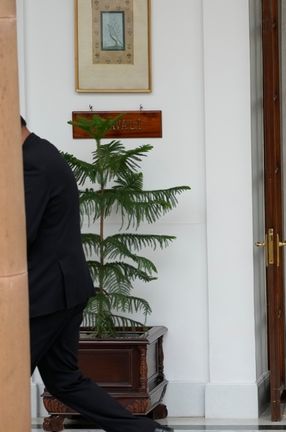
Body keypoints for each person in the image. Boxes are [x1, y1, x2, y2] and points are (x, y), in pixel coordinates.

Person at [22, 116, 173, 432]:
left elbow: (21, 232)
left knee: (6, 374)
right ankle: (147, 431)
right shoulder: (41, 154)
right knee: (65, 380)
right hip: (62, 290)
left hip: (47, 293)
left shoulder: (32, 163)